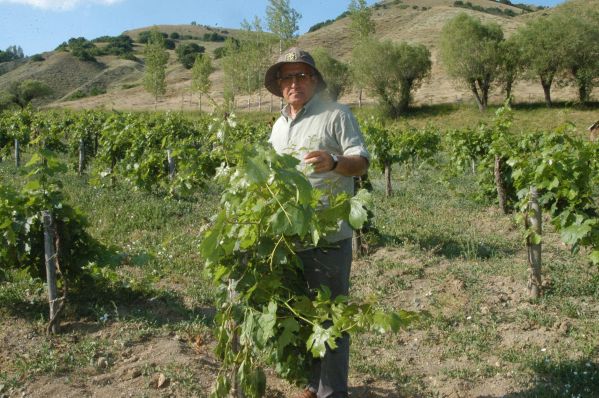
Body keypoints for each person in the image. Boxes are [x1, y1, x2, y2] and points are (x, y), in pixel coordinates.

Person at [264, 47, 370, 398]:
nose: (295, 83)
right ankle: (314, 384)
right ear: (280, 86)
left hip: (327, 236)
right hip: (288, 238)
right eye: (287, 77)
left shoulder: (336, 115)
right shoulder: (278, 127)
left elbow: (361, 161)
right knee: (303, 314)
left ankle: (332, 392)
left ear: (314, 80)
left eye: (302, 76)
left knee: (331, 317)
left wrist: (335, 161)